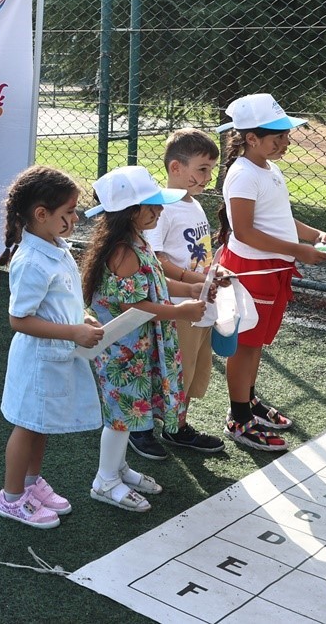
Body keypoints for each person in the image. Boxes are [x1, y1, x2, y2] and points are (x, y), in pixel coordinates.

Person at [81, 165, 206, 512]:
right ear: (130, 212)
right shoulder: (123, 253)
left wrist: (191, 287)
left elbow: (158, 284)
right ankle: (104, 481)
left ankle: (117, 468)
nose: (160, 211)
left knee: (130, 413)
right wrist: (182, 312)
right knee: (121, 415)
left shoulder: (137, 242)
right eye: (152, 205)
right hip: (124, 350)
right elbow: (136, 304)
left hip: (139, 346)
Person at [214, 93, 326, 453]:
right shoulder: (244, 174)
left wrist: (313, 234)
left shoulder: (268, 168)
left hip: (272, 267)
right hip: (252, 270)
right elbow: (246, 232)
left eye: (286, 133)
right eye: (277, 135)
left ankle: (248, 400)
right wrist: (300, 251)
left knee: (257, 343)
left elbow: (279, 217)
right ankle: (239, 418)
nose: (286, 141)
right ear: (251, 138)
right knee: (245, 346)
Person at [0, 166, 104, 529]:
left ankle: (30, 483)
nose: (75, 218)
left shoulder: (55, 247)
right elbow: (19, 319)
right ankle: (10, 498)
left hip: (56, 355)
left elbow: (60, 301)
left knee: (41, 424)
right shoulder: (31, 262)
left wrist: (81, 318)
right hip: (39, 358)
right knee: (27, 426)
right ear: (41, 215)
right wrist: (73, 331)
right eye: (68, 212)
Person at [133, 129, 228, 458]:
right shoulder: (164, 208)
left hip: (199, 301)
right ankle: (142, 427)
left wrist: (213, 275)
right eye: (202, 169)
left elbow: (196, 252)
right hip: (177, 304)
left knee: (191, 371)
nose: (208, 176)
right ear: (176, 168)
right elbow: (158, 261)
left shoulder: (194, 205)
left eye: (211, 169)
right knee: (170, 369)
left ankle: (177, 426)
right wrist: (192, 280)